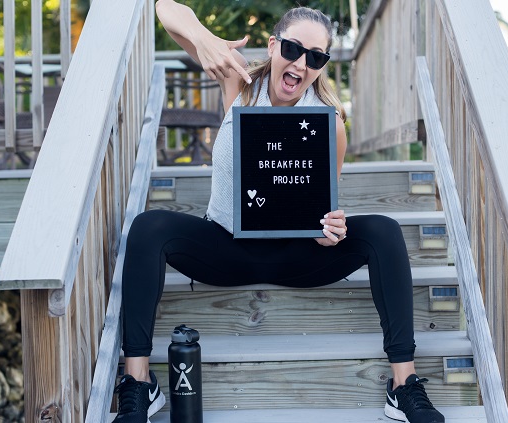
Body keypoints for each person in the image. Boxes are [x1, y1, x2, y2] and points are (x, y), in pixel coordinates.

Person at [111, 2, 445, 423]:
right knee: (148, 226)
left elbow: (322, 206)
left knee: (384, 230)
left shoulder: (330, 124)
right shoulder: (240, 84)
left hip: (296, 254)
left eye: (316, 57)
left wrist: (329, 230)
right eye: (292, 48)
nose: (301, 63)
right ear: (273, 46)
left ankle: (403, 385)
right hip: (226, 248)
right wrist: (205, 39)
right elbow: (165, 9)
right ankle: (139, 383)